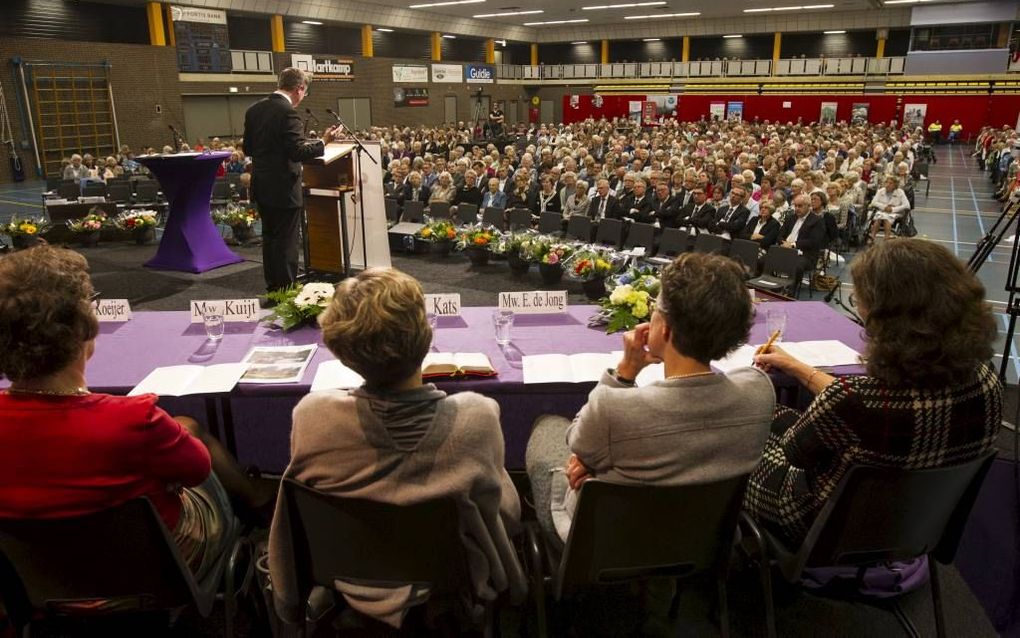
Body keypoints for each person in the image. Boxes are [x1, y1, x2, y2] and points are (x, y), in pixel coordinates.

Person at [269, 268, 526, 629]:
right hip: (453, 586)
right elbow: (506, 518)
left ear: (341, 351)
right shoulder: (477, 415)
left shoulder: (312, 416)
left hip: (346, 580)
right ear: (425, 336)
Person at [0, 246, 274, 585]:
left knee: (186, 429)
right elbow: (197, 470)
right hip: (155, 571)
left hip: (36, 580)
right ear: (82, 329)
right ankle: (258, 518)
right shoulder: (134, 419)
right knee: (194, 451)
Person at [744, 239, 1001, 547]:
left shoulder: (855, 400)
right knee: (774, 415)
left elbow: (795, 452)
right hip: (920, 522)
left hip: (821, 523)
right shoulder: (987, 384)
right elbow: (857, 403)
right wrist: (797, 367)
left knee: (737, 445)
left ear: (887, 315)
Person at [526, 251, 774, 558]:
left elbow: (578, 442)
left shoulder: (614, 406)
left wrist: (624, 373)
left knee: (548, 426)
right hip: (703, 540)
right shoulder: (759, 390)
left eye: (655, 309)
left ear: (666, 330)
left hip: (607, 542)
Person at [243, 67, 338, 294]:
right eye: (305, 92)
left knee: (270, 238)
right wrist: (324, 141)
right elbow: (297, 152)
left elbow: (247, 148)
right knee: (286, 242)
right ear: (299, 88)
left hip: (262, 186)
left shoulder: (254, 109)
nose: (303, 96)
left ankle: (274, 287)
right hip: (284, 188)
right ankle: (286, 290)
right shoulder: (287, 112)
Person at [868, 175, 911, 242]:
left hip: (895, 213)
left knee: (886, 218)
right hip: (882, 211)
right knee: (879, 218)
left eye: (890, 183)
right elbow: (873, 202)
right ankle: (872, 237)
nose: (888, 185)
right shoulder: (880, 191)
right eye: (887, 182)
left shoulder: (900, 192)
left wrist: (893, 209)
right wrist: (884, 207)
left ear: (895, 185)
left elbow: (907, 205)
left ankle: (886, 238)